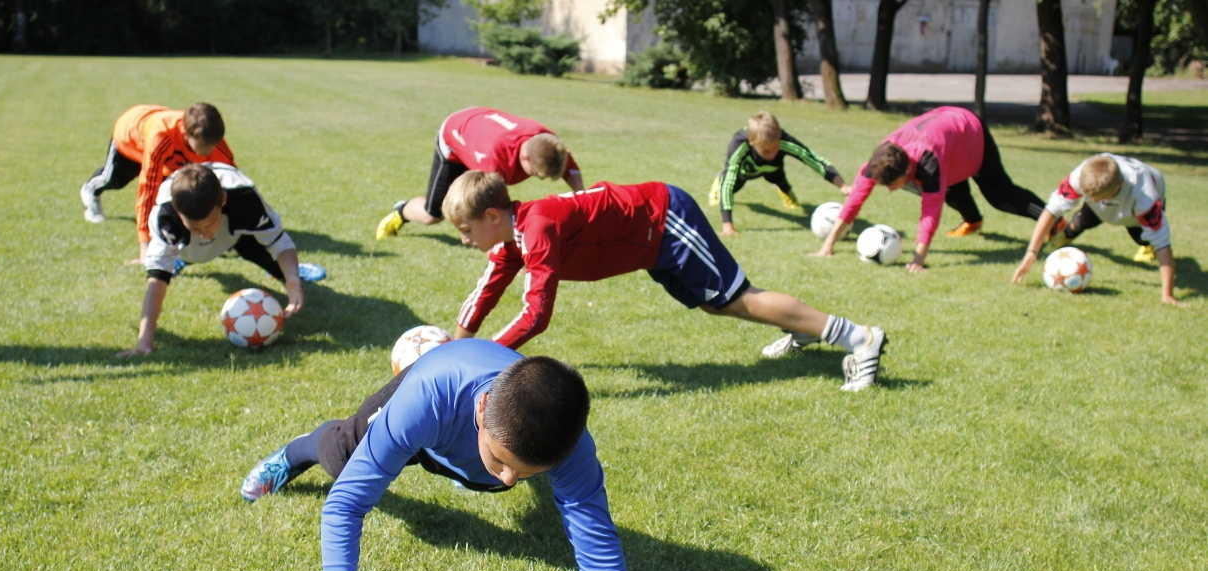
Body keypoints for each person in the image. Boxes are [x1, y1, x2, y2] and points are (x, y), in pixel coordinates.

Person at [239, 339, 680, 571]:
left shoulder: (571, 447)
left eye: (525, 473)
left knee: (493, 476)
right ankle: (297, 451)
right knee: (340, 458)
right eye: (503, 461)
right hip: (434, 406)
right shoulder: (427, 397)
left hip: (465, 433)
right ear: (483, 407)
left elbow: (597, 545)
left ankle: (468, 462)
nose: (507, 480)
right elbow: (346, 506)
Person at [445, 171, 888, 391]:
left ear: (491, 216)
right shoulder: (511, 238)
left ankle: (858, 337)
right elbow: (487, 291)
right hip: (649, 244)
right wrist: (455, 348)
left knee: (736, 298)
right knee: (718, 304)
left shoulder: (536, 228)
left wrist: (483, 357)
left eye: (466, 231)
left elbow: (536, 314)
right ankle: (801, 326)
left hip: (665, 219)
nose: (466, 241)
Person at [122, 162, 324, 357]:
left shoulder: (244, 197)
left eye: (210, 223)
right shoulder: (166, 215)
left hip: (235, 233)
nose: (205, 233)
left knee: (272, 260)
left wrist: (292, 279)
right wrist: (144, 343)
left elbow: (279, 241)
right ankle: (183, 258)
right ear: (178, 213)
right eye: (195, 227)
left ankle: (288, 272)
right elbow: (157, 279)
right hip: (187, 247)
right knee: (189, 253)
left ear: (224, 200)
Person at [813, 106, 1045, 273]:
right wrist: (828, 245)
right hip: (945, 133)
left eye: (892, 185)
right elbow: (854, 201)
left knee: (999, 195)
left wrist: (918, 260)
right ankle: (973, 222)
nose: (890, 190)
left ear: (907, 172)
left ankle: (1052, 219)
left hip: (969, 132)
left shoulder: (927, 162)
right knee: (951, 192)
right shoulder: (878, 161)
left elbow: (929, 214)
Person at [375, 106, 585, 239]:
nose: (543, 179)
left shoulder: (546, 142)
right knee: (434, 215)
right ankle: (402, 211)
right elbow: (495, 214)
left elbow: (573, 174)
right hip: (454, 137)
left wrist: (582, 208)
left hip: (480, 127)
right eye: (539, 174)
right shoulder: (495, 161)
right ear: (525, 158)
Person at [1011, 153, 1185, 307]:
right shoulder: (1082, 175)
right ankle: (1069, 232)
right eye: (1089, 197)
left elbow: (1163, 244)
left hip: (1133, 210)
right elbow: (1051, 210)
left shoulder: (1145, 197)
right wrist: (1031, 252)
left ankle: (1145, 246)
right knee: (1081, 221)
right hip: (1107, 199)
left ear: (1119, 186)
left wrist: (1167, 295)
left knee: (1144, 239)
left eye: (1097, 198)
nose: (1092, 200)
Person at [80, 103, 236, 259]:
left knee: (176, 192)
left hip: (168, 153)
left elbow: (234, 183)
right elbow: (148, 188)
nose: (210, 151)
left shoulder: (212, 139)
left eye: (214, 144)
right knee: (114, 180)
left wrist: (231, 232)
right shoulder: (161, 137)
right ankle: (90, 191)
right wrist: (145, 247)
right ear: (186, 134)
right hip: (130, 137)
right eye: (205, 145)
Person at [707, 110, 851, 237]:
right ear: (752, 141)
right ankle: (718, 181)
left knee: (784, 185)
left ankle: (783, 190)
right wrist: (728, 226)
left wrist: (843, 185)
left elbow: (813, 160)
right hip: (746, 172)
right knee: (729, 186)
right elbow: (730, 180)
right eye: (766, 150)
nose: (773, 153)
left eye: (776, 147)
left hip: (774, 170)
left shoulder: (783, 140)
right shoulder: (739, 144)